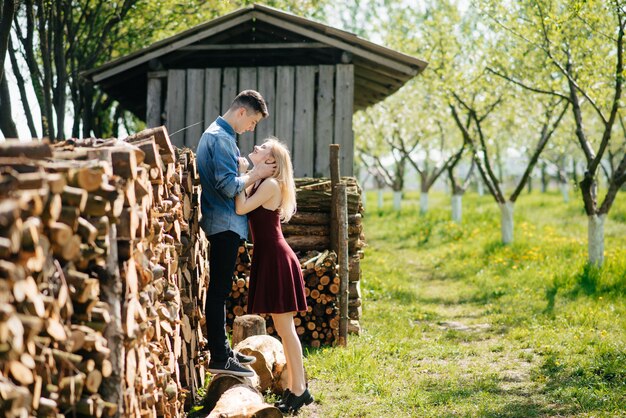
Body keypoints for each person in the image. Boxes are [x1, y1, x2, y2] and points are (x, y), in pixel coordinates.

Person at [197, 90, 274, 377]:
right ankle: (219, 356)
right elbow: (229, 187)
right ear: (242, 112)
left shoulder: (220, 136)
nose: (252, 128)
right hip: (224, 225)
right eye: (253, 121)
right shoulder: (220, 138)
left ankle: (225, 349)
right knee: (218, 293)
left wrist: (244, 168)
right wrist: (255, 173)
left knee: (221, 292)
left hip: (224, 224)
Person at [235, 138, 314, 414]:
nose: (256, 149)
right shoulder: (261, 182)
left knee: (286, 329)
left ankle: (300, 390)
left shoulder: (269, 185)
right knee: (284, 329)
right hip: (269, 256)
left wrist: (241, 175)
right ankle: (297, 389)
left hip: (277, 258)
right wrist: (246, 177)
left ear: (271, 162)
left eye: (262, 149)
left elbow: (241, 208)